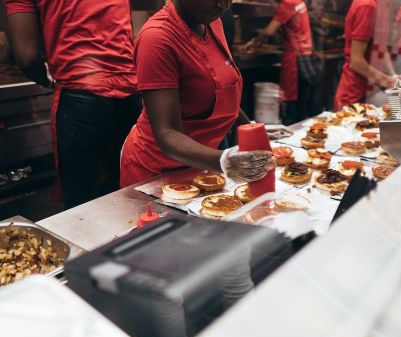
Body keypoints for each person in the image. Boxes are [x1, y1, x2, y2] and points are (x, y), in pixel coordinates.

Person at [119, 0, 275, 188]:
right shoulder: (157, 38)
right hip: (156, 172)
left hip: (200, 165)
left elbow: (223, 93)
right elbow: (167, 134)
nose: (224, 4)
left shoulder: (212, 22)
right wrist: (225, 161)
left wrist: (252, 129)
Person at [3, 0, 141, 209]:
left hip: (81, 96)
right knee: (130, 195)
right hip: (131, 93)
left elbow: (27, 57)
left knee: (82, 204)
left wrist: (49, 80)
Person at [245, 0, 317, 125]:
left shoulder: (287, 4)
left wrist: (253, 43)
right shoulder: (298, 1)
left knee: (291, 102)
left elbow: (268, 31)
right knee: (302, 104)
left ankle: (290, 133)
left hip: (295, 58)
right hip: (305, 54)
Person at [334, 0, 401, 110]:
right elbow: (356, 62)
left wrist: (394, 76)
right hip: (354, 98)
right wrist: (391, 82)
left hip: (370, 94)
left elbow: (380, 47)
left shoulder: (383, 4)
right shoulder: (367, 5)